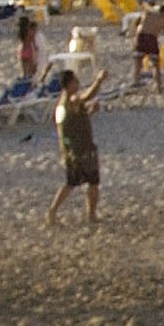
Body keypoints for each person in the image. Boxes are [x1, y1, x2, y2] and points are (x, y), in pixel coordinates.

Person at [45, 64, 109, 226]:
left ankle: (54, 211)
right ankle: (90, 215)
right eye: (75, 81)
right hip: (81, 151)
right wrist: (99, 81)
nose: (78, 83)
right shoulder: (70, 99)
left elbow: (75, 121)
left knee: (73, 183)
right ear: (68, 84)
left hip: (73, 150)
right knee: (91, 182)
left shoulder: (63, 103)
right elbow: (87, 96)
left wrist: (90, 111)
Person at [133, 0, 164, 89]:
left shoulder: (148, 13)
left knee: (138, 64)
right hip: (151, 39)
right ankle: (158, 86)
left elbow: (137, 21)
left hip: (140, 37)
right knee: (155, 65)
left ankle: (135, 83)